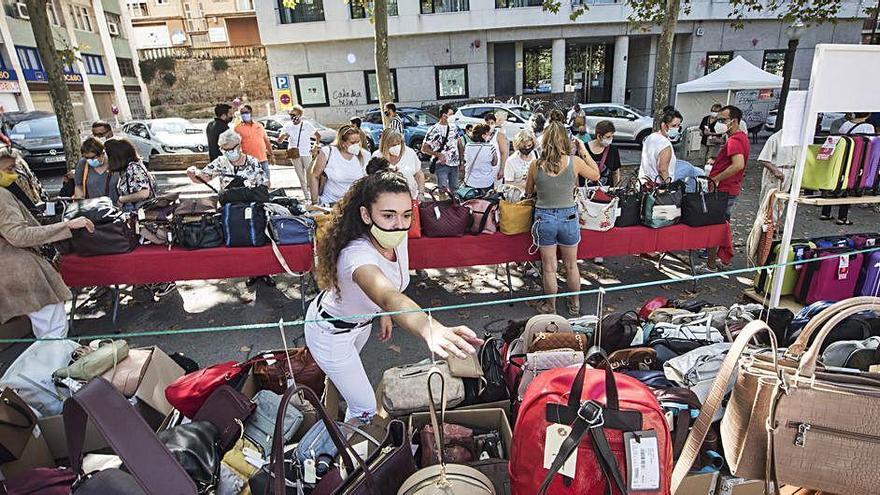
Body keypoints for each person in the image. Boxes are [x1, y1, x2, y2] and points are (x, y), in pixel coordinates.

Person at [309, 168, 481, 421]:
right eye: (388, 215)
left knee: (340, 385)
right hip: (330, 333)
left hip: (358, 326)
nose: (399, 224)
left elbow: (389, 291)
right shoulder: (356, 255)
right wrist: (429, 328)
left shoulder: (395, 237)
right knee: (365, 408)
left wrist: (384, 313)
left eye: (406, 215)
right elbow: (387, 294)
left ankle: (332, 428)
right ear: (366, 215)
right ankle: (333, 455)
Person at [0, 146, 94, 338]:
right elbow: (17, 235)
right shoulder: (2, 196)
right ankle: (55, 366)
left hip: (10, 270)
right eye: (8, 169)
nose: (13, 175)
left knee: (47, 330)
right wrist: (67, 226)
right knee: (53, 332)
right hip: (20, 268)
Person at [525, 121, 599, 316]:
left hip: (544, 218)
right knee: (571, 265)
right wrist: (583, 150)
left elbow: (528, 192)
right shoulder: (575, 162)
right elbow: (596, 174)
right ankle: (575, 303)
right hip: (569, 216)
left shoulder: (535, 164)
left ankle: (551, 305)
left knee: (549, 268)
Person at [705, 105, 749, 272]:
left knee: (716, 227)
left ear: (734, 121)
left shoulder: (735, 140)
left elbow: (738, 165)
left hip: (724, 190)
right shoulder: (740, 138)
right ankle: (718, 258)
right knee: (721, 225)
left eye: (723, 120)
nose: (719, 123)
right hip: (729, 189)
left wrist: (716, 178)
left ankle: (710, 265)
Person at [820, 112, 875, 225]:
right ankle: (842, 217)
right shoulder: (868, 127)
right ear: (868, 115)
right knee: (848, 187)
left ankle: (825, 212)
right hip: (857, 161)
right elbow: (870, 143)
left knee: (835, 184)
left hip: (842, 158)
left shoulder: (845, 125)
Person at [310, 124, 368, 206]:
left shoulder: (364, 155)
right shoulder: (328, 152)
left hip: (354, 204)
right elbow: (314, 175)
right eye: (352, 142)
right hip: (330, 203)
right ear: (342, 142)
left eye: (358, 141)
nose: (356, 145)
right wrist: (315, 202)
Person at [278, 105, 321, 203]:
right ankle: (307, 197)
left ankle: (314, 195)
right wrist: (282, 137)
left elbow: (318, 136)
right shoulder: (287, 126)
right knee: (301, 176)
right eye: (291, 115)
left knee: (310, 175)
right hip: (294, 154)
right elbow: (279, 140)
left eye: (294, 114)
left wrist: (315, 146)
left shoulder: (307, 125)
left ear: (300, 115)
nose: (292, 116)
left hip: (306, 153)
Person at [105, 138, 156, 212]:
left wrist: (122, 199)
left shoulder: (133, 168)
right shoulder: (127, 169)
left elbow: (144, 193)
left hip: (140, 212)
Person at [421, 103, 463, 191]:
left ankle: (454, 204)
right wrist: (437, 154)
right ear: (444, 115)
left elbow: (459, 144)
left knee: (455, 189)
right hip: (441, 165)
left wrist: (461, 162)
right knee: (442, 190)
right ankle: (443, 204)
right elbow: (424, 148)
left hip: (455, 164)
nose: (453, 116)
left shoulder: (454, 127)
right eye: (451, 114)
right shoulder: (434, 129)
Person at [372, 130, 424, 200]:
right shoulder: (377, 156)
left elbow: (419, 174)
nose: (397, 147)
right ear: (385, 145)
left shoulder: (410, 153)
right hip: (385, 200)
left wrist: (421, 193)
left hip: (410, 198)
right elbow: (372, 179)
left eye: (398, 143)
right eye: (393, 145)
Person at [234, 105, 274, 187]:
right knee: (252, 185)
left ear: (251, 113)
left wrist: (272, 154)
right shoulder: (237, 129)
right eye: (242, 113)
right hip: (249, 162)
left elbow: (266, 141)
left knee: (266, 183)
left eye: (246, 112)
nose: (244, 115)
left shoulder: (259, 126)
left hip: (263, 160)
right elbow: (236, 146)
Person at [639, 109, 682, 183]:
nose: (676, 129)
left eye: (678, 126)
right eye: (673, 125)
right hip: (658, 186)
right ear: (664, 125)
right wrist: (667, 186)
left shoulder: (651, 137)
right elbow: (662, 169)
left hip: (645, 183)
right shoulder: (665, 144)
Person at [757, 129, 797, 205]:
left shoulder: (796, 140)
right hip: (776, 172)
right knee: (768, 203)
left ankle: (777, 217)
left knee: (781, 203)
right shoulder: (775, 138)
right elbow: (763, 159)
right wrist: (775, 170)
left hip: (790, 172)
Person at [74, 137, 119, 202]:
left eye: (92, 157)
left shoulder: (115, 162)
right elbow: (78, 185)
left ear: (102, 154)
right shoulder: (83, 163)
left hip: (115, 207)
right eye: (86, 158)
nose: (89, 160)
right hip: (93, 208)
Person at [462, 123, 499, 195]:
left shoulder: (468, 146)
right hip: (486, 182)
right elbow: (495, 163)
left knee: (470, 204)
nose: (489, 136)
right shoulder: (490, 147)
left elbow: (466, 159)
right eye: (488, 134)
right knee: (486, 204)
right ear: (483, 136)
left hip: (470, 181)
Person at [584, 120, 621, 188]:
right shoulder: (583, 149)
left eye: (612, 136)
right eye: (608, 137)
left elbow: (615, 173)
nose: (611, 139)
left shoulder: (613, 150)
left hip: (606, 193)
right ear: (599, 136)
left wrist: (616, 189)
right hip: (586, 193)